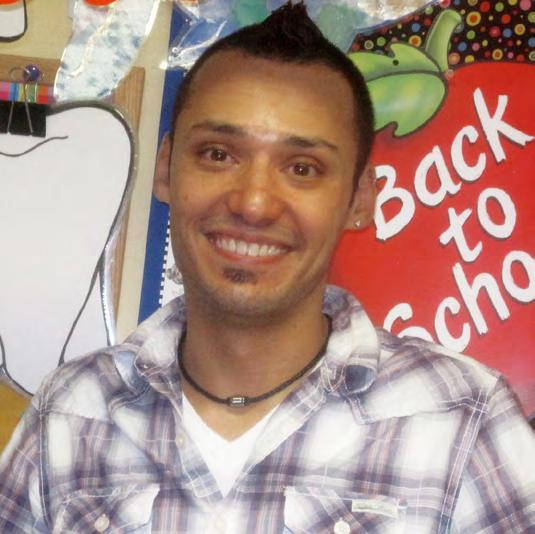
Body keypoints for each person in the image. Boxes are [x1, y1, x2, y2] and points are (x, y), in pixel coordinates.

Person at [0, 3, 533, 533]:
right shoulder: (69, 415)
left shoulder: (463, 421)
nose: (253, 203)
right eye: (218, 154)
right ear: (165, 168)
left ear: (360, 198)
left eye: (302, 168)